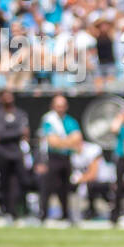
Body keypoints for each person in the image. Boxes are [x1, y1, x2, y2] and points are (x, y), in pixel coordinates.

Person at [0, 90, 30, 222]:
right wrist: (16, 133)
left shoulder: (20, 113)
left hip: (16, 152)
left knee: (22, 182)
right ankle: (5, 211)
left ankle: (17, 211)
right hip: (2, 152)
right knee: (3, 183)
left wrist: (6, 134)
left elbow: (24, 132)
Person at [38, 94, 81, 222]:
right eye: (57, 106)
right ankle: (43, 215)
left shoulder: (71, 121)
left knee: (65, 188)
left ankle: (66, 215)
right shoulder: (49, 120)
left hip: (66, 157)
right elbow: (53, 142)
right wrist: (68, 141)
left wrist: (61, 142)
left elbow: (77, 140)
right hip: (52, 157)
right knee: (48, 187)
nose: (60, 108)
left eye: (62, 106)